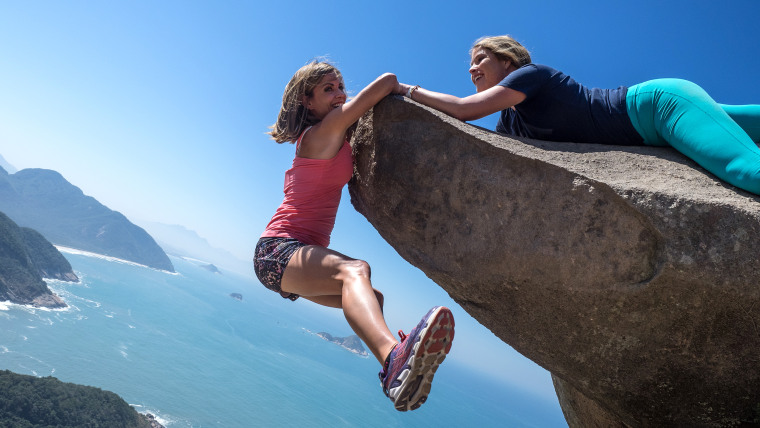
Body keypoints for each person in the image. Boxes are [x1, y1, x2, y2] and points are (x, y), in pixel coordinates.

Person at [254, 60, 455, 412]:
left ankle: (395, 374)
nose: (339, 94)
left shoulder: (334, 135)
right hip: (277, 251)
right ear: (308, 102)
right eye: (328, 89)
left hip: (288, 260)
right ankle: (396, 359)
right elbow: (387, 81)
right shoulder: (322, 132)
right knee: (356, 271)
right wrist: (409, 93)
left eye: (340, 86)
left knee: (371, 296)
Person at [397, 35, 760, 195]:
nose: (472, 69)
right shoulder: (510, 121)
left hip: (661, 108)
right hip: (658, 134)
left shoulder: (531, 76)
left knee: (746, 171)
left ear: (507, 62)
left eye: (481, 60)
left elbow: (464, 110)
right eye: (470, 63)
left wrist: (404, 91)